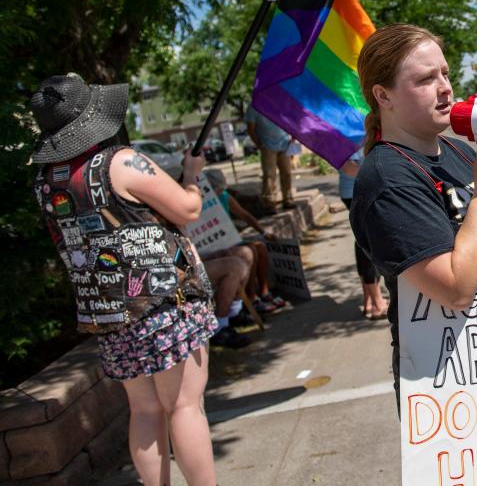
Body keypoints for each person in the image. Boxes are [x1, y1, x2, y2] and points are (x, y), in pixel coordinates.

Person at [30, 74, 218, 486]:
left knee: (145, 411)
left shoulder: (46, 182)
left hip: (110, 311)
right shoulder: (121, 162)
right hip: (163, 303)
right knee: (185, 406)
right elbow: (187, 209)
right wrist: (192, 174)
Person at [348, 24, 477, 411]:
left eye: (446, 74)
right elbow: (455, 288)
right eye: (426, 78)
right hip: (447, 378)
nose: (445, 88)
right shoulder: (387, 179)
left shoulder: (457, 152)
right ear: (383, 95)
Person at [204, 168, 287, 315]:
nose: (218, 192)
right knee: (250, 252)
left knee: (260, 247)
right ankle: (252, 297)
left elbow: (245, 215)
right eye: (215, 189)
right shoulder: (200, 202)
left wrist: (263, 232)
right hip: (215, 247)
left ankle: (264, 292)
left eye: (220, 189)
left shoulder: (224, 196)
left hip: (230, 240)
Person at [338, 151, 388, 320]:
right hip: (357, 191)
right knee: (370, 242)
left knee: (362, 241)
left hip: (357, 190)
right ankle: (377, 303)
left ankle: (370, 301)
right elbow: (348, 168)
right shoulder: (345, 131)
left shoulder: (357, 130)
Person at [244, 106, 296, 209]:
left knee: (287, 173)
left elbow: (291, 122)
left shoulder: (278, 103)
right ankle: (269, 202)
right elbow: (250, 129)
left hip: (285, 144)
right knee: (269, 175)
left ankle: (288, 199)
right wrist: (259, 144)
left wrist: (293, 139)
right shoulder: (254, 107)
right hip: (267, 146)